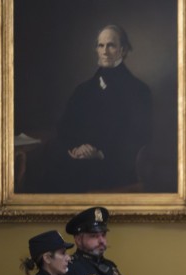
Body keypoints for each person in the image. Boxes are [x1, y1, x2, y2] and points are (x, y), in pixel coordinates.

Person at [43, 24, 151, 193]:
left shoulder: (139, 91)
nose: (105, 51)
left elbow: (139, 136)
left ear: (123, 50)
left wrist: (100, 153)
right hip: (77, 160)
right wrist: (77, 147)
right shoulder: (83, 90)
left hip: (114, 167)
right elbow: (64, 127)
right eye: (101, 45)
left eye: (111, 45)